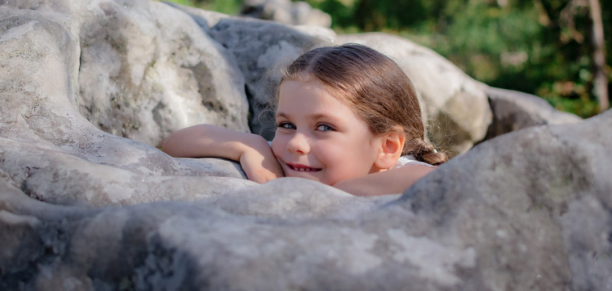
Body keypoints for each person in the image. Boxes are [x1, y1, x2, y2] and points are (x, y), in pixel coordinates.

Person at [162, 43, 447, 195]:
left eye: (324, 127)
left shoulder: (402, 172)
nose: (297, 142)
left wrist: (342, 191)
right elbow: (174, 143)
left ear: (386, 147)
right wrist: (250, 145)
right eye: (286, 125)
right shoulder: (294, 154)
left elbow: (437, 181)